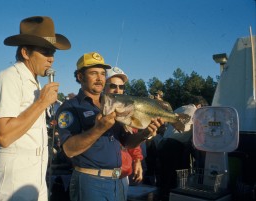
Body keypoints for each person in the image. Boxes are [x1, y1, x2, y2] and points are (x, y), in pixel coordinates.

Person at [56, 52, 162, 201]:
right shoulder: (70, 107)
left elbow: (126, 143)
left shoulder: (112, 105)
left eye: (102, 74)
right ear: (80, 77)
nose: (100, 78)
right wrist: (98, 129)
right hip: (90, 182)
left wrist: (144, 133)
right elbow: (69, 150)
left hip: (118, 182)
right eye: (93, 73)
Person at [0, 16, 71, 201]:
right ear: (25, 53)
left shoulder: (35, 83)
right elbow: (4, 135)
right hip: (14, 180)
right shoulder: (8, 78)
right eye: (45, 52)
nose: (51, 59)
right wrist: (41, 103)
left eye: (53, 53)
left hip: (35, 176)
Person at [157, 95, 208, 200]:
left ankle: (162, 196)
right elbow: (198, 131)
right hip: (175, 146)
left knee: (163, 176)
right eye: (202, 108)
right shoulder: (196, 112)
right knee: (177, 177)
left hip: (163, 143)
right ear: (199, 105)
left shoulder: (180, 108)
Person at [104, 66, 144, 198]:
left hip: (122, 175)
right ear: (103, 86)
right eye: (113, 86)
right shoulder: (98, 108)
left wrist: (137, 160)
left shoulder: (127, 109)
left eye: (121, 87)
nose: (118, 90)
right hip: (101, 178)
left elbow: (132, 138)